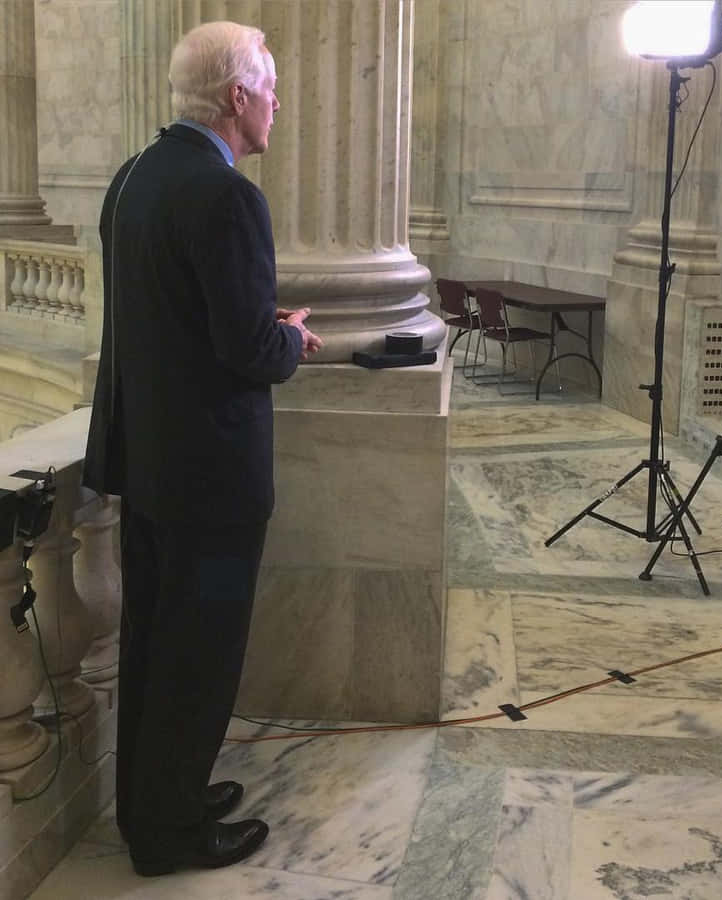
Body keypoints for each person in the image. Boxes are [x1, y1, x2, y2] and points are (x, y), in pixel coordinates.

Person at [83, 20, 322, 876]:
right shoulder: (227, 196)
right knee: (199, 654)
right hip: (210, 476)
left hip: (145, 462)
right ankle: (172, 834)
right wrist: (291, 338)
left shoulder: (133, 177)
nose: (278, 102)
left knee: (154, 644)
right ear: (237, 97)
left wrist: (260, 325)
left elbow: (166, 322)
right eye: (271, 87)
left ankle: (155, 800)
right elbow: (247, 353)